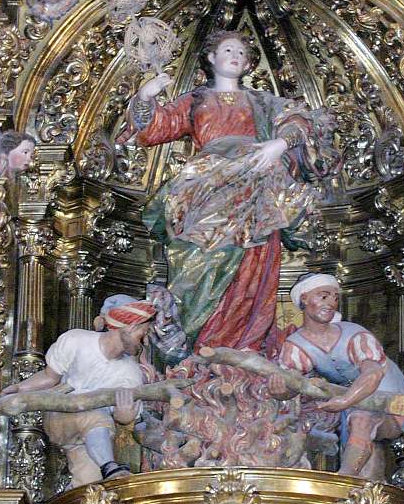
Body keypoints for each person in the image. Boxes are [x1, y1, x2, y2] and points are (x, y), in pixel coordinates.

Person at [119, 30, 339, 350]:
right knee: (197, 261)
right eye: (228, 50)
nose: (236, 56)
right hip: (207, 192)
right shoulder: (196, 101)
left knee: (253, 264)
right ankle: (196, 345)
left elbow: (302, 119)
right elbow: (156, 127)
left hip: (257, 192)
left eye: (241, 52)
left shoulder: (262, 102)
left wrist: (279, 144)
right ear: (211, 58)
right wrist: (146, 96)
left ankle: (245, 346)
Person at [270, 273, 404, 479]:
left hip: (388, 398)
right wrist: (280, 390)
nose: (331, 303)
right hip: (349, 401)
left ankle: (344, 479)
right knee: (365, 457)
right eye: (323, 296)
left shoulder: (354, 334)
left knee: (363, 420)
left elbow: (373, 374)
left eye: (335, 298)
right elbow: (292, 383)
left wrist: (345, 401)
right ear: (304, 298)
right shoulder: (296, 345)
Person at [1, 300, 156, 487]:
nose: (145, 340)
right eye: (144, 332)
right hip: (61, 418)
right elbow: (50, 377)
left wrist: (125, 414)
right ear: (130, 327)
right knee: (93, 415)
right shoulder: (77, 340)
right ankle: (111, 468)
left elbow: (122, 416)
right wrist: (19, 388)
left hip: (95, 436)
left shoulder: (130, 373)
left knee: (90, 489)